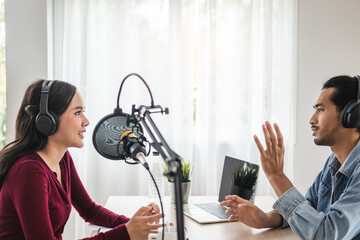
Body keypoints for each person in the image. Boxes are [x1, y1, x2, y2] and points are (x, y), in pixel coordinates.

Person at [0, 79, 163, 240]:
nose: (86, 121)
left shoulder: (62, 159)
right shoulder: (29, 171)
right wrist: (126, 233)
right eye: (78, 113)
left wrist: (137, 225)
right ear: (48, 121)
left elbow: (90, 210)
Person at [220, 75, 360, 239]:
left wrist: (276, 176)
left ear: (352, 115)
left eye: (320, 110)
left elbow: (327, 234)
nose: (311, 119)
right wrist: (266, 219)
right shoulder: (334, 163)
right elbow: (309, 209)